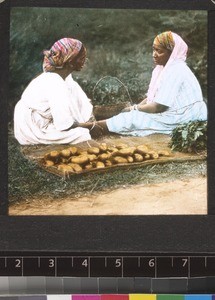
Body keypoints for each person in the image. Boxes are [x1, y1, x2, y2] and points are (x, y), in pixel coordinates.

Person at [74, 31, 207, 138]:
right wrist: (136, 107)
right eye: (153, 50)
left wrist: (134, 109)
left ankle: (90, 128)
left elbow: (158, 106)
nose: (154, 55)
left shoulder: (176, 70)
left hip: (184, 116)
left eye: (159, 51)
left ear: (172, 53)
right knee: (131, 115)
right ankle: (93, 126)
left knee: (134, 118)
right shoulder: (164, 69)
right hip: (177, 111)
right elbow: (152, 98)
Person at [14, 37, 94, 145]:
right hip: (32, 127)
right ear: (70, 62)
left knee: (73, 88)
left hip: (40, 120)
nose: (85, 59)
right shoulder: (55, 82)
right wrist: (93, 126)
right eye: (81, 57)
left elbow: (82, 104)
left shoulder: (66, 79)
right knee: (81, 134)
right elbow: (64, 125)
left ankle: (87, 123)